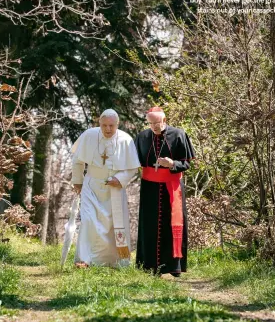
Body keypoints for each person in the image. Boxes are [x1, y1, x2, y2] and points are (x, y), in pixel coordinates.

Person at [71, 109, 140, 267]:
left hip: (114, 189)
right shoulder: (89, 135)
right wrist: (78, 181)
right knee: (88, 221)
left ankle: (114, 261)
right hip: (91, 185)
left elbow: (132, 168)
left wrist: (119, 179)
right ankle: (84, 260)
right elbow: (78, 160)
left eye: (111, 125)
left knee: (113, 225)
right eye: (104, 125)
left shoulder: (125, 140)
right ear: (99, 124)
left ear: (117, 124)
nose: (108, 129)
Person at [134, 107, 195, 277]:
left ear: (164, 120)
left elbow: (187, 164)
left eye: (157, 123)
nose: (154, 126)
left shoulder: (178, 135)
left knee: (172, 225)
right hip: (149, 188)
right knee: (149, 226)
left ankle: (173, 267)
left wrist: (172, 164)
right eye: (151, 123)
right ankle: (149, 266)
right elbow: (133, 161)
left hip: (172, 186)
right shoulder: (142, 137)